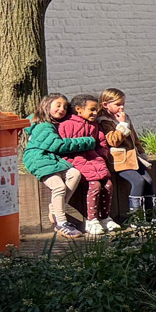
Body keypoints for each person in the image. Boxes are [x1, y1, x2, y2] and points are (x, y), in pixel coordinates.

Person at [23, 94, 101, 239]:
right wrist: (88, 141)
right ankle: (61, 223)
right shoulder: (43, 126)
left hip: (49, 158)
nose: (62, 109)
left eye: (65, 107)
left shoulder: (50, 124)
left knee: (74, 173)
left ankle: (55, 208)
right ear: (46, 105)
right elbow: (58, 145)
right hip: (38, 159)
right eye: (58, 105)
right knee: (58, 186)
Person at [58, 95, 117, 236]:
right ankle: (92, 220)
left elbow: (101, 143)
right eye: (91, 110)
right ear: (79, 109)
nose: (95, 113)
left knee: (108, 185)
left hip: (95, 161)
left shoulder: (94, 125)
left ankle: (105, 217)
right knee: (94, 186)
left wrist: (102, 156)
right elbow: (64, 146)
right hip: (78, 162)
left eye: (96, 110)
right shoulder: (66, 125)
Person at [97, 88, 153, 220]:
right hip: (119, 161)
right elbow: (113, 141)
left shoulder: (125, 117)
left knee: (149, 181)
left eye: (123, 104)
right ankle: (136, 218)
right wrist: (122, 124)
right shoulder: (104, 121)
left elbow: (135, 138)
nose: (121, 107)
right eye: (118, 104)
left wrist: (142, 154)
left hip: (133, 158)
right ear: (105, 105)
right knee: (138, 181)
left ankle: (150, 217)